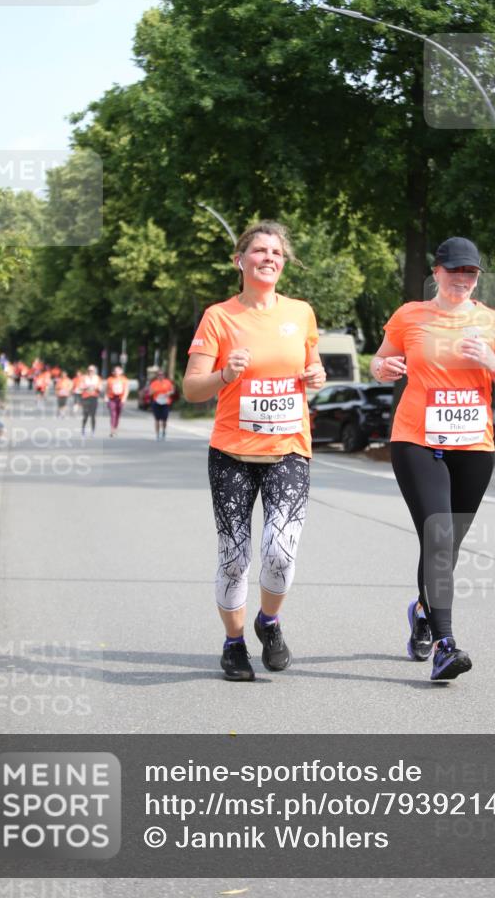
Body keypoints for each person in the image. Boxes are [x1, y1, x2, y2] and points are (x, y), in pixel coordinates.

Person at [371, 237, 495, 681]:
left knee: (447, 546)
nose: (462, 279)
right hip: (417, 440)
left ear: (477, 278)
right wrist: (384, 369)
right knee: (438, 536)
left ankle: (422, 611)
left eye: (470, 273)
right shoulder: (410, 315)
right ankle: (445, 644)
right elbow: (381, 363)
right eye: (454, 271)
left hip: (473, 446)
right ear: (436, 272)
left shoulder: (493, 324)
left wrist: (494, 363)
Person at [183, 221, 326, 682]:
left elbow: (312, 364)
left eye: (277, 253)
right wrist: (225, 374)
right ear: (239, 261)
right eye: (259, 250)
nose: (269, 257)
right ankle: (233, 643)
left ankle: (269, 621)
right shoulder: (219, 317)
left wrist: (316, 376)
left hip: (288, 449)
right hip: (232, 452)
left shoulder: (301, 313)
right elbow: (191, 388)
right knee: (234, 556)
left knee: (280, 551)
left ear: (284, 263)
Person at [148, 369, 178, 441]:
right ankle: (157, 435)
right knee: (157, 419)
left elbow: (172, 391)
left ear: (164, 375)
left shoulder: (168, 382)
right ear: (157, 376)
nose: (160, 376)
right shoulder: (154, 383)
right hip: (157, 402)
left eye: (162, 375)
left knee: (164, 419)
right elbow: (150, 393)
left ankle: (163, 432)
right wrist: (153, 391)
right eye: (159, 375)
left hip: (165, 403)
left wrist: (169, 393)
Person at [79, 364, 103, 436]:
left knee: (93, 415)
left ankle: (93, 431)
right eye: (89, 370)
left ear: (94, 371)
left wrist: (96, 387)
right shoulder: (84, 377)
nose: (90, 372)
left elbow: (100, 388)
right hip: (86, 397)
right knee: (85, 415)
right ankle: (83, 429)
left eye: (92, 370)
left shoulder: (97, 378)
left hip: (94, 397)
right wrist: (87, 386)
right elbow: (80, 386)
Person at [105, 366, 128, 437]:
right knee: (113, 414)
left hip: (120, 398)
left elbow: (126, 390)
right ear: (114, 372)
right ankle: (112, 430)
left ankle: (115, 428)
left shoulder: (124, 379)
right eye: (115, 371)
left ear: (121, 372)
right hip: (112, 398)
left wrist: (124, 398)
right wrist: (106, 397)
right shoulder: (110, 379)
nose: (117, 372)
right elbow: (107, 389)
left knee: (118, 414)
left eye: (118, 371)